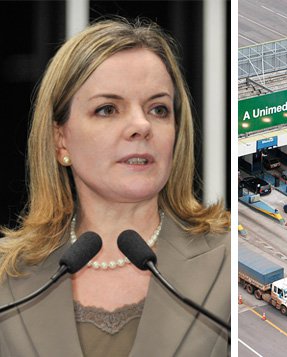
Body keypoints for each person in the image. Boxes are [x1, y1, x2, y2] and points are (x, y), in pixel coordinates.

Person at [0, 19, 230, 356]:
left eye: (158, 109)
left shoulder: (228, 260)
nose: (141, 125)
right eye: (108, 109)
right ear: (60, 139)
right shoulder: (7, 278)